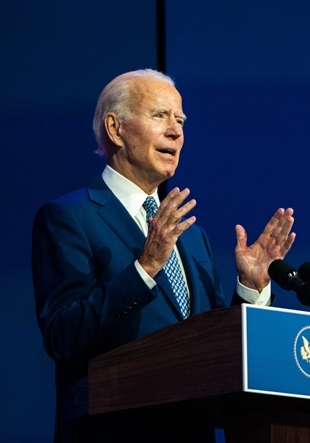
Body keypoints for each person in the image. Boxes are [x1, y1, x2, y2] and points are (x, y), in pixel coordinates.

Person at [31, 69, 295, 442]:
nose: (176, 131)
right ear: (115, 128)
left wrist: (252, 287)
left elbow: (215, 343)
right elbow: (63, 336)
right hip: (112, 431)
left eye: (181, 121)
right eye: (160, 116)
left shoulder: (191, 237)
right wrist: (145, 268)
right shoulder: (70, 217)